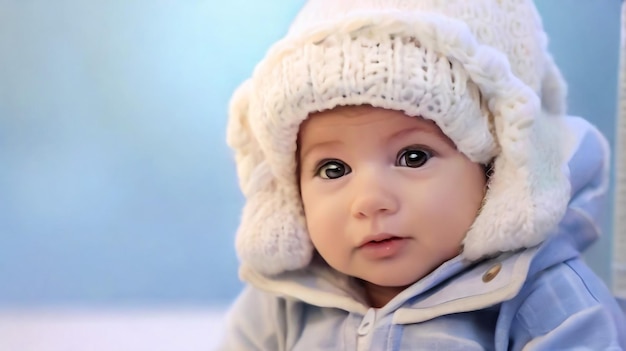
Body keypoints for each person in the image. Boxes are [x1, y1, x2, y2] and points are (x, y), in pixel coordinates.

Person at [218, 0, 626, 349]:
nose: (370, 200)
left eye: (413, 157)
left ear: (496, 171)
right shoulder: (282, 302)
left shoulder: (545, 299)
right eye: (333, 169)